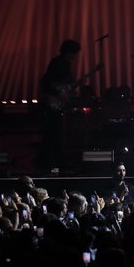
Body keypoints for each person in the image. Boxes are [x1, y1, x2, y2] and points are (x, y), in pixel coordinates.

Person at [37, 40, 81, 170]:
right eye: (75, 53)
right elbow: (45, 82)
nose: (76, 56)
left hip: (56, 103)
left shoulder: (66, 64)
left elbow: (64, 83)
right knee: (53, 133)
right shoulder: (58, 63)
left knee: (53, 134)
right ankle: (51, 163)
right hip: (53, 103)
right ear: (69, 51)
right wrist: (58, 93)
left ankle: (49, 163)